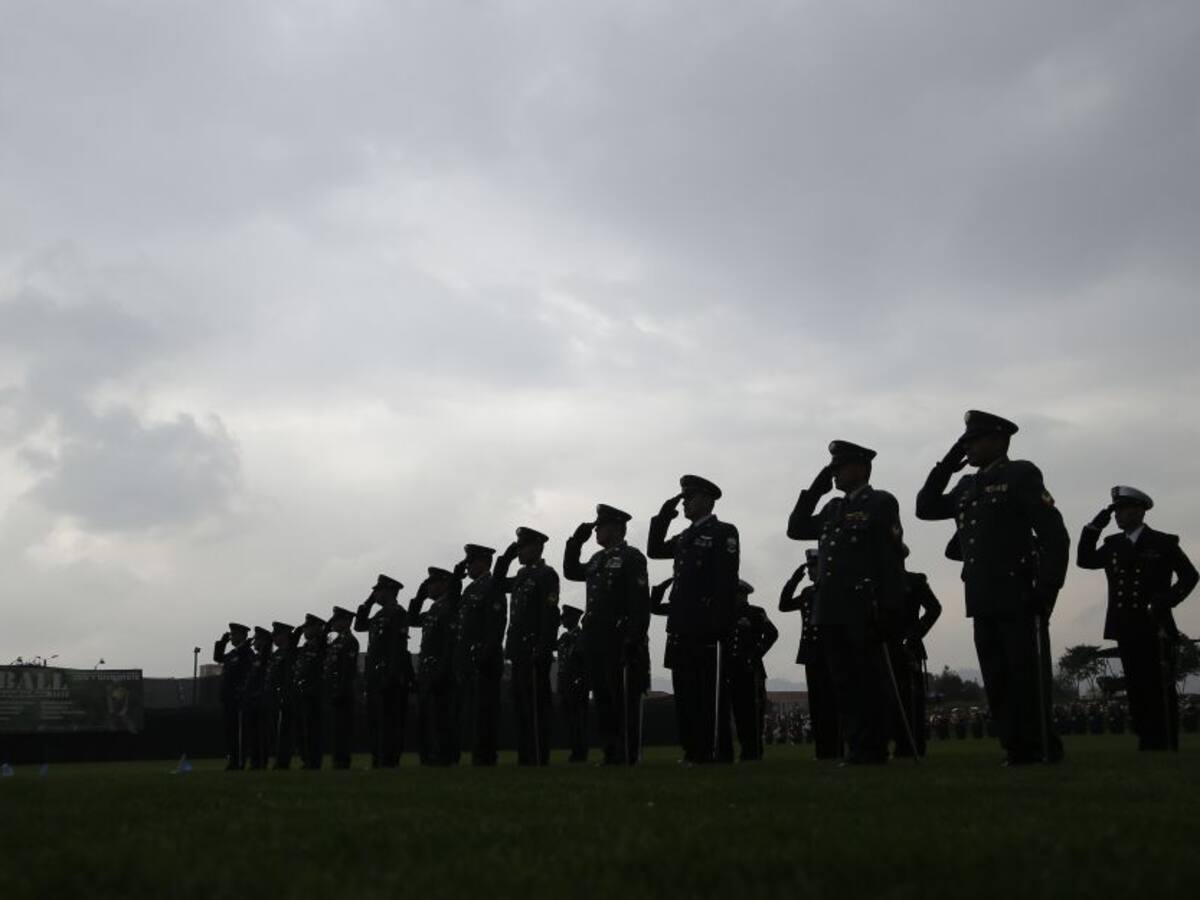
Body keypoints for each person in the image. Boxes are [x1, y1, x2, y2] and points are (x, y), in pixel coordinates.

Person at [916, 410, 1070, 765]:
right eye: (965, 442)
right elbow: (924, 508)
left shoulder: (1020, 474)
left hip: (1019, 592)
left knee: (1026, 675)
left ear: (999, 440)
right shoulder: (967, 486)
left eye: (974, 440)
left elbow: (1054, 535)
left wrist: (1047, 589)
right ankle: (1015, 747)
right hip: (981, 595)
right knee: (997, 678)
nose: (968, 447)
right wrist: (949, 462)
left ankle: (1042, 746)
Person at [788, 441, 906, 765]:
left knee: (869, 681)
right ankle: (856, 747)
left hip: (863, 607)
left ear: (861, 468)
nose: (836, 474)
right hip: (831, 608)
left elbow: (891, 558)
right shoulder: (832, 509)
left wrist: (889, 606)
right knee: (844, 684)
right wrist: (816, 488)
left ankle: (874, 747)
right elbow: (795, 528)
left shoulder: (880, 502)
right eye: (833, 469)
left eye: (840, 468)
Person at [1077, 485, 1198, 751]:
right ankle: (1146, 740)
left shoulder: (1163, 542)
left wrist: (1167, 600)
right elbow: (1084, 560)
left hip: (1155, 624)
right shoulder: (1113, 544)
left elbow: (1190, 575)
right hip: (1125, 624)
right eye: (1116, 510)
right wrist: (1095, 526)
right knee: (1136, 685)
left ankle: (1165, 740)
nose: (1118, 515)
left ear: (1140, 511)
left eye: (1122, 509)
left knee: (1159, 685)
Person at [648, 474, 739, 764]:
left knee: (708, 692)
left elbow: (726, 581)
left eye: (690, 497)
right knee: (685, 692)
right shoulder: (684, 537)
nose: (685, 502)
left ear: (708, 500)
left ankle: (717, 750)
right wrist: (664, 515)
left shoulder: (723, 531)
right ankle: (693, 750)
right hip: (681, 624)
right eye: (683, 498)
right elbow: (654, 550)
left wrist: (720, 623)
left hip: (707, 625)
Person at [563, 503, 651, 765]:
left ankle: (627, 750)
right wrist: (574, 542)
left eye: (600, 526)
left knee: (621, 697)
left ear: (616, 528)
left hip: (618, 637)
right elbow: (570, 572)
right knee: (602, 697)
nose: (597, 531)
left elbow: (640, 602)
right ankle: (611, 751)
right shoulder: (596, 560)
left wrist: (634, 637)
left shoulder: (631, 557)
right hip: (595, 639)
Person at [499, 528, 561, 766]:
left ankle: (538, 754)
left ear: (536, 547)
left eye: (522, 547)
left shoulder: (546, 575)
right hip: (518, 651)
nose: (520, 552)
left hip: (535, 650)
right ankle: (525, 754)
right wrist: (506, 558)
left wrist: (543, 646)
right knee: (520, 706)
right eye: (518, 547)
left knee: (536, 706)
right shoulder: (521, 576)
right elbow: (497, 583)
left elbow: (550, 612)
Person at [779, 550, 841, 759]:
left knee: (832, 701)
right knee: (817, 704)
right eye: (808, 569)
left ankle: (837, 748)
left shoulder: (834, 589)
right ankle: (823, 750)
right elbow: (784, 605)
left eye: (813, 567)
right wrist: (793, 580)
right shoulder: (807, 592)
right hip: (811, 652)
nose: (810, 572)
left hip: (831, 650)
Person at [453, 544, 506, 766]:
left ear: (483, 563)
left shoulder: (492, 586)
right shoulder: (469, 590)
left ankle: (486, 755)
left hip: (485, 658)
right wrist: (456, 580)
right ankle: (478, 753)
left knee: (485, 710)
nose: (468, 567)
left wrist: (485, 653)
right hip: (468, 658)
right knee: (472, 711)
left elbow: (496, 624)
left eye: (470, 562)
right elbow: (455, 611)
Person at [354, 574, 412, 768]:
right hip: (375, 676)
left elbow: (398, 647)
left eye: (378, 591)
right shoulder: (379, 616)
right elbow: (359, 625)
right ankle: (378, 758)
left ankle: (389, 759)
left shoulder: (398, 613)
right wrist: (368, 602)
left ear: (388, 591)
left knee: (390, 721)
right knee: (375, 721)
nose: (375, 594)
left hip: (389, 676)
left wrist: (392, 675)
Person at [889, 559, 942, 758]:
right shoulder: (877, 581)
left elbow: (934, 609)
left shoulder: (914, 581)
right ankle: (899, 744)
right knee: (890, 701)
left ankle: (914, 745)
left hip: (908, 648)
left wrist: (914, 635)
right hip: (885, 646)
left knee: (911, 701)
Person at [412, 567, 461, 766]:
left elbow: (449, 642)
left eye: (433, 583)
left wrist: (442, 669)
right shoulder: (434, 609)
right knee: (427, 716)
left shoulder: (448, 607)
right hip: (427, 670)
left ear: (445, 585)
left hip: (442, 670)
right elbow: (412, 619)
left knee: (443, 715)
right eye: (428, 584)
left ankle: (446, 755)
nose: (429, 587)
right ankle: (429, 755)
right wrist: (419, 597)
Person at [725, 580, 778, 761]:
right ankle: (744, 751)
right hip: (731, 670)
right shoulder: (726, 614)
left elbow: (772, 633)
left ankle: (754, 751)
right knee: (738, 713)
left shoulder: (756, 612)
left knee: (753, 713)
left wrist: (756, 654)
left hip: (751, 670)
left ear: (743, 594)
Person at [213, 622, 254, 771]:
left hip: (239, 698)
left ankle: (240, 761)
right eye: (231, 634)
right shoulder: (233, 654)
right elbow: (218, 658)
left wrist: (241, 691)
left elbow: (248, 674)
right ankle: (233, 760)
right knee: (230, 731)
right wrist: (221, 643)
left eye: (235, 634)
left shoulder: (246, 653)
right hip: (228, 698)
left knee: (239, 732)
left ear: (243, 636)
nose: (232, 637)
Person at [323, 606, 360, 770]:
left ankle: (343, 761)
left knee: (343, 728)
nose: (333, 623)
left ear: (346, 622)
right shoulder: (336, 641)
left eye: (337, 620)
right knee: (336, 729)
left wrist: (340, 690)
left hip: (343, 691)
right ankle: (337, 760)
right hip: (334, 690)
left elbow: (347, 669)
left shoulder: (350, 641)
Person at [292, 613, 327, 769]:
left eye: (308, 628)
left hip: (314, 692)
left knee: (313, 730)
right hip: (302, 692)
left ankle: (314, 761)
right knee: (302, 729)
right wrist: (298, 632)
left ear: (317, 629)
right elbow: (291, 648)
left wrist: (321, 630)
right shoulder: (305, 648)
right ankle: (307, 759)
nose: (305, 631)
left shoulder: (321, 646)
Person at [556, 605, 590, 763]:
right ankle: (575, 750)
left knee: (579, 720)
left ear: (574, 619)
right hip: (564, 682)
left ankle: (580, 751)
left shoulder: (581, 636)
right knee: (569, 720)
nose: (563, 620)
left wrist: (581, 680)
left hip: (577, 683)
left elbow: (584, 662)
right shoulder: (564, 637)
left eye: (566, 617)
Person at [265, 621, 301, 770]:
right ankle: (279, 759)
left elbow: (287, 676)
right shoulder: (276, 654)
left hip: (286, 696)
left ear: (285, 635)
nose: (274, 638)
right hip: (275, 696)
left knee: (285, 730)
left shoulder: (290, 652)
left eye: (277, 634)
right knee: (278, 731)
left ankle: (283, 760)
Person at [240, 626, 274, 770]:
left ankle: (260, 762)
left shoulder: (266, 657)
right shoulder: (255, 658)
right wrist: (249, 642)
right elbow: (242, 653)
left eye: (257, 639)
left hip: (262, 700)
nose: (254, 642)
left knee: (261, 734)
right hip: (252, 701)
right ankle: (255, 761)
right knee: (253, 734)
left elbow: (267, 648)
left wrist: (264, 640)